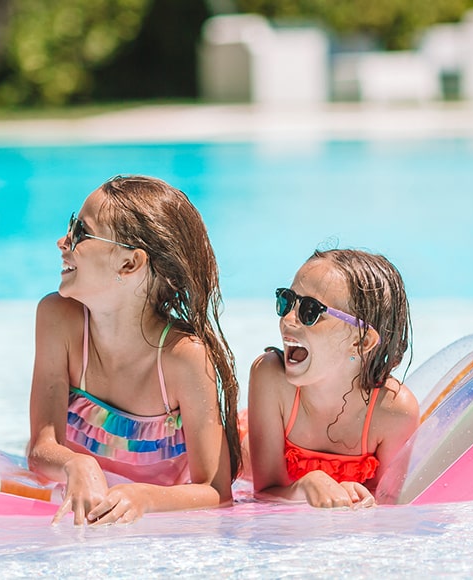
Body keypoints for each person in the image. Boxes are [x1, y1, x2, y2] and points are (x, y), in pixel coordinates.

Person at [27, 175, 241, 525]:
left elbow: (217, 491)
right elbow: (40, 449)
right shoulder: (58, 320)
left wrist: (144, 496)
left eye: (81, 232)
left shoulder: (182, 358)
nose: (62, 241)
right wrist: (75, 463)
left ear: (129, 263)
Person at [245, 249, 419, 508]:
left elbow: (388, 503)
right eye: (287, 300)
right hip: (248, 440)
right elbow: (264, 492)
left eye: (310, 310)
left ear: (360, 340)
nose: (288, 320)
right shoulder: (271, 379)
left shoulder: (393, 411)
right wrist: (305, 485)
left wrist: (359, 495)